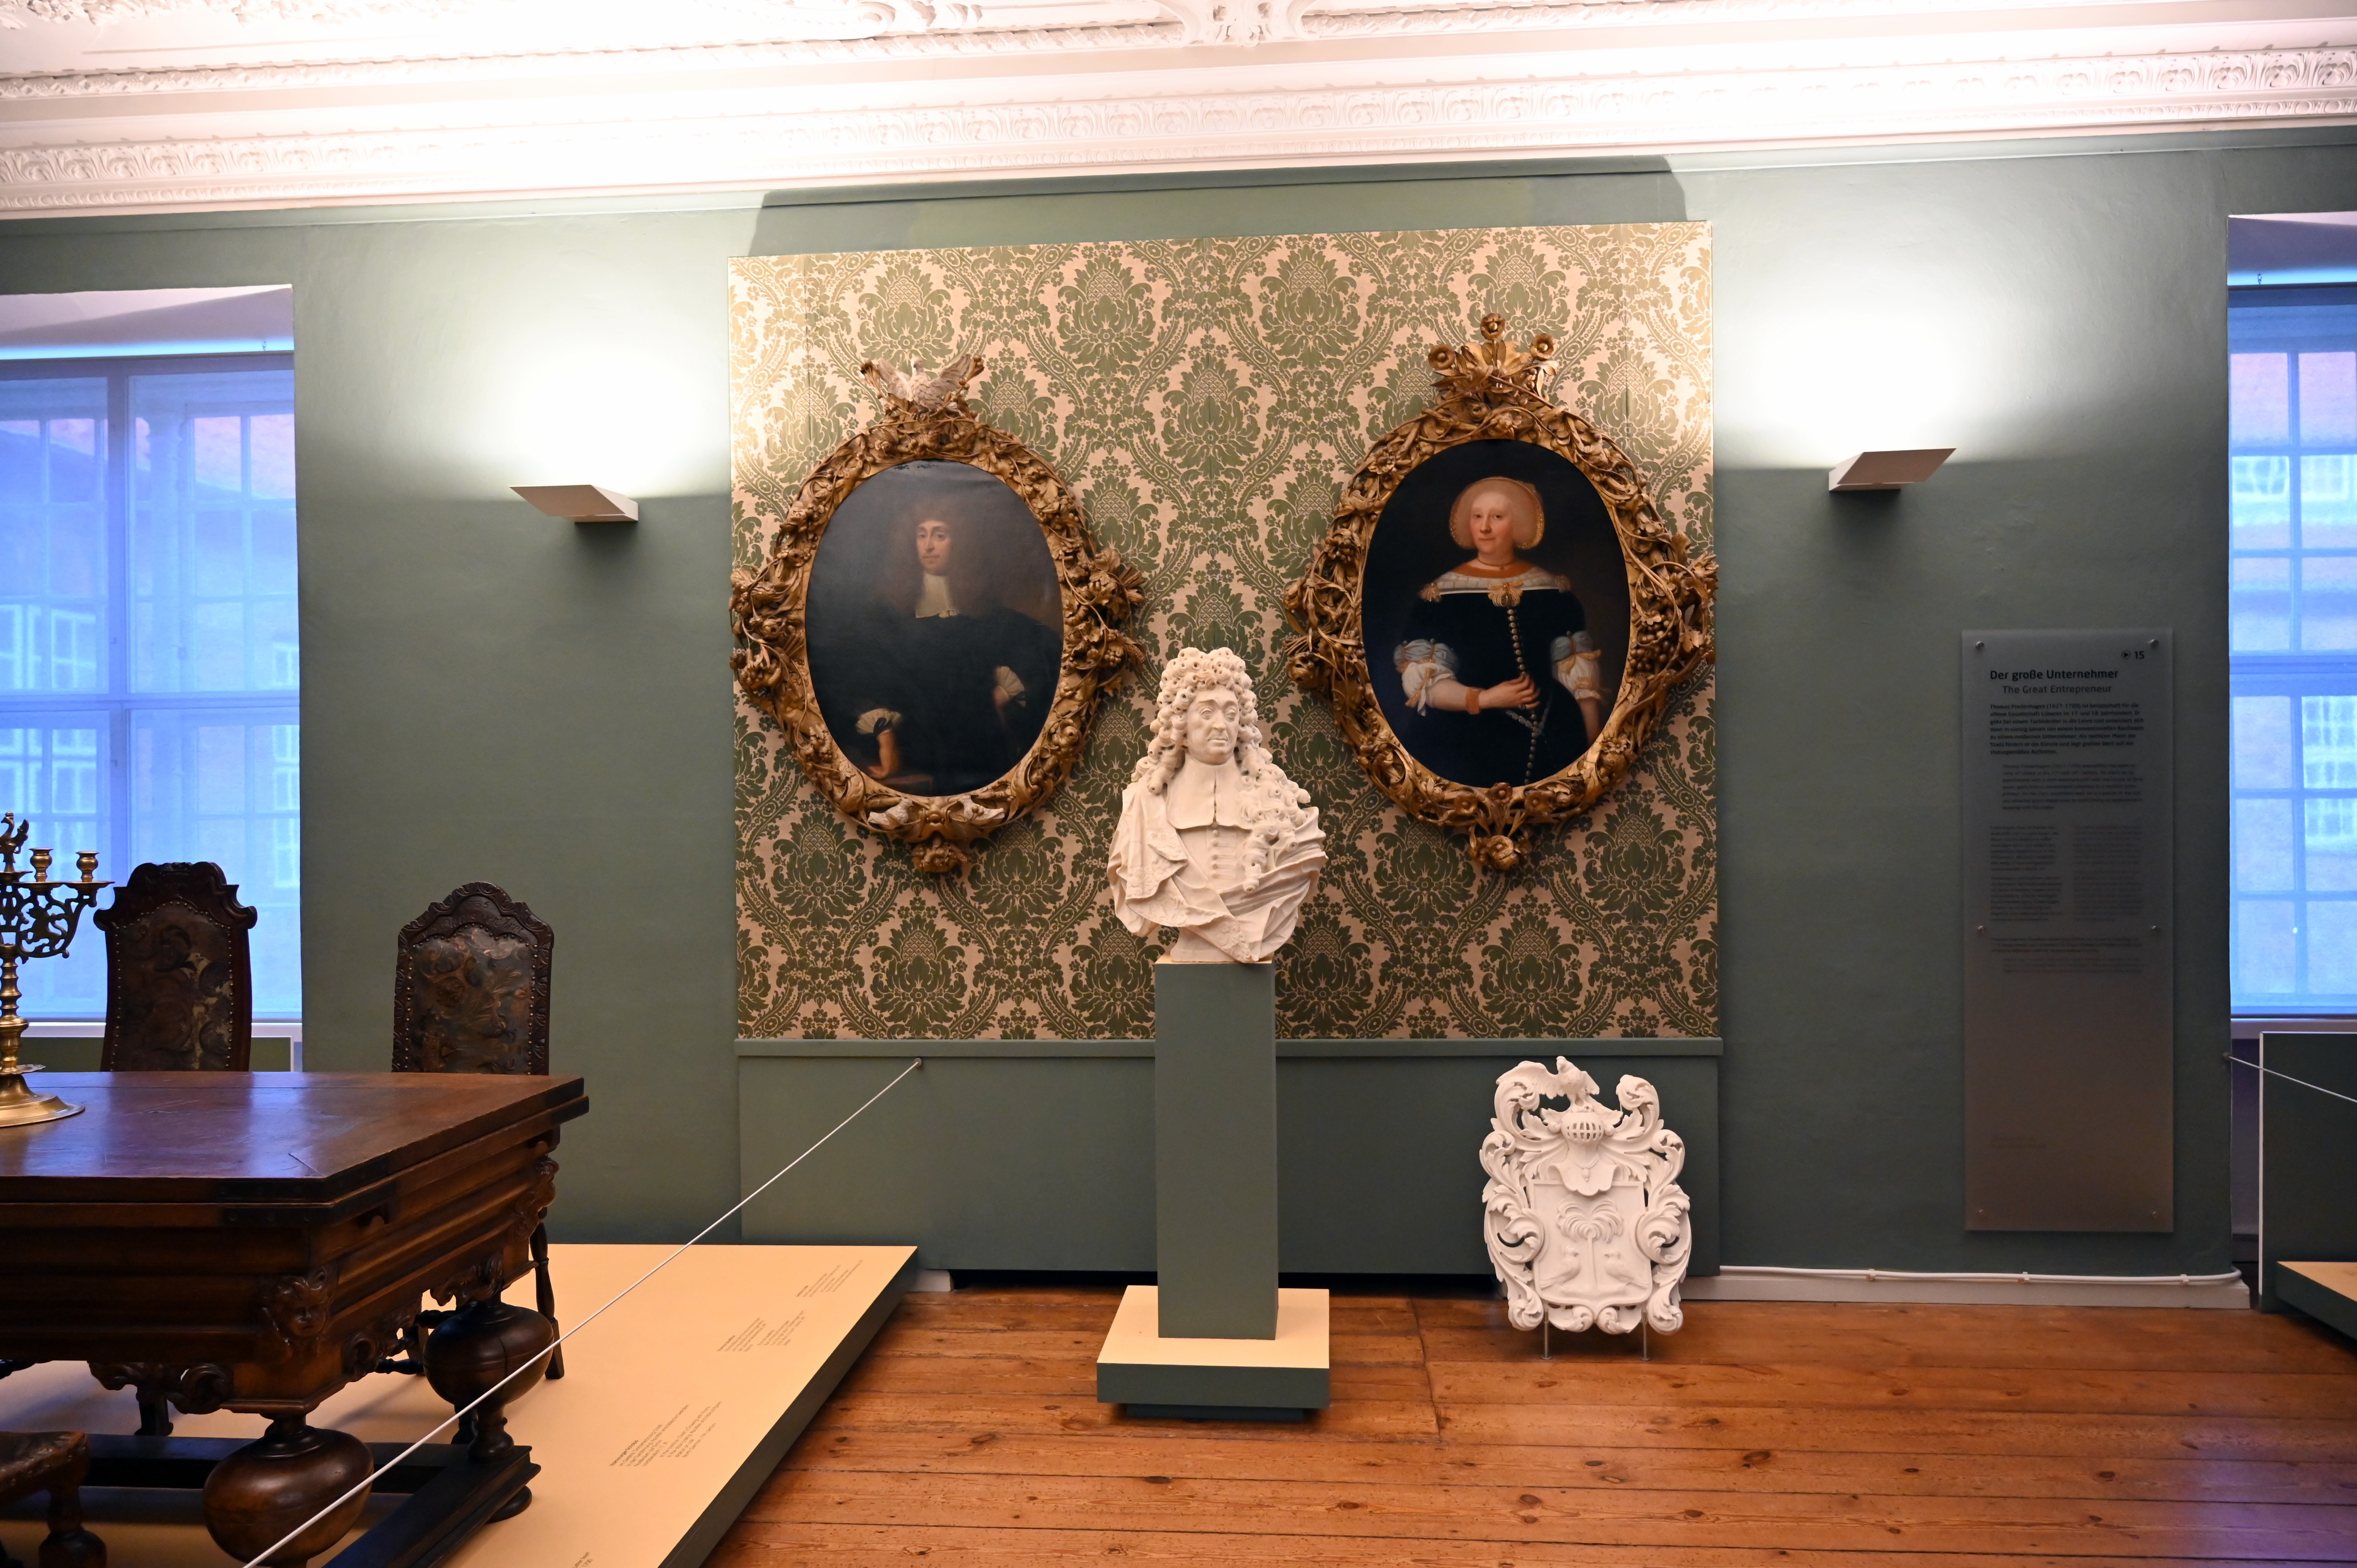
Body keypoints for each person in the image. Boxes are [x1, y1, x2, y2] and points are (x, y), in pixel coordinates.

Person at [825, 502, 1062, 797]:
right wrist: (886, 737)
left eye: (940, 535)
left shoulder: (984, 614)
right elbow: (858, 677)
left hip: (985, 750)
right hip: (918, 747)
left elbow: (1044, 651)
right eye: (921, 535)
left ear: (959, 542)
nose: (929, 546)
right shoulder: (887, 619)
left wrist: (1000, 696)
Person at [1109, 646, 1327, 963]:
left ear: (1243, 723)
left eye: (1231, 714)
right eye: (1207, 713)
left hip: (1257, 940)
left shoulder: (1279, 805)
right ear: (1181, 724)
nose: (1221, 726)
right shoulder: (1145, 806)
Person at [1390, 475, 1605, 788]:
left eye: (1497, 517)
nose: (1485, 528)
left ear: (1518, 525)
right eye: (1477, 517)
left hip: (1555, 732)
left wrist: (1593, 744)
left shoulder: (1553, 591)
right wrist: (1485, 698)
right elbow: (1425, 681)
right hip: (1467, 739)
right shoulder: (1439, 597)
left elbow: (1578, 676)